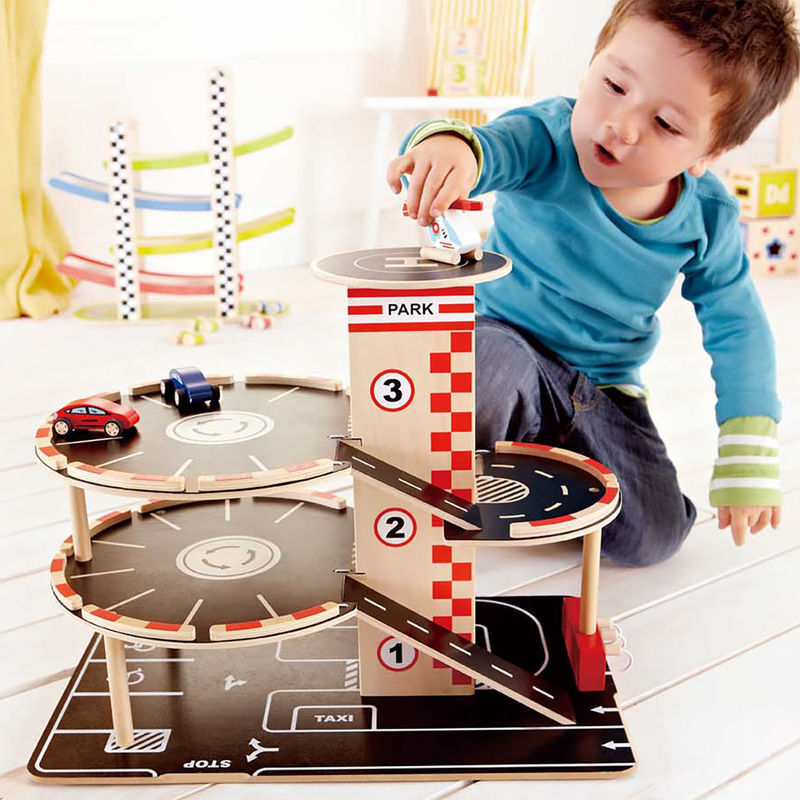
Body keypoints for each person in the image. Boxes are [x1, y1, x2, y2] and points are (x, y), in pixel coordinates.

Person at [386, 0, 800, 566]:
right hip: (503, 341)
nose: (621, 126)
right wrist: (449, 150)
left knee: (656, 538)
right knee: (485, 372)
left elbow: (739, 327)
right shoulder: (546, 137)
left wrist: (747, 449)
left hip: (602, 393)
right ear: (591, 65)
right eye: (614, 85)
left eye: (665, 124)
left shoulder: (708, 216)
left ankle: (533, 468)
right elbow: (488, 146)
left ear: (711, 151)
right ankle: (464, 467)